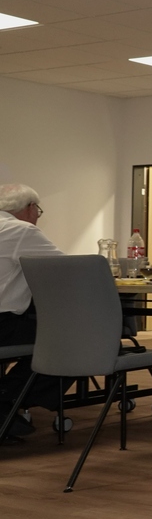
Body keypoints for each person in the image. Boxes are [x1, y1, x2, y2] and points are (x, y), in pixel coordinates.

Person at [0, 183, 63, 440]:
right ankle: (7, 398)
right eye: (38, 210)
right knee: (69, 340)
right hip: (3, 325)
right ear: (30, 207)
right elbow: (68, 270)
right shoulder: (21, 230)